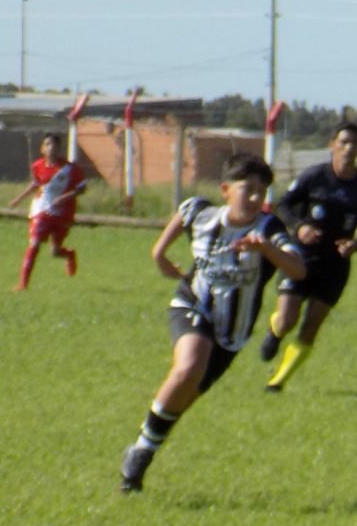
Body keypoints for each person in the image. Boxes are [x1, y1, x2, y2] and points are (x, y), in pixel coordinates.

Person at [118, 153, 304, 492]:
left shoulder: (268, 228)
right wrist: (159, 253)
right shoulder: (203, 216)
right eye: (247, 189)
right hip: (193, 304)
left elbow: (298, 269)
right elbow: (186, 210)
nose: (255, 198)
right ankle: (140, 455)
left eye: (261, 192)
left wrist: (267, 250)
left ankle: (140, 454)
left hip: (232, 332)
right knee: (189, 366)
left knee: (183, 399)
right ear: (225, 190)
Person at [256, 122, 357, 391]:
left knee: (311, 326)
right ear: (332, 145)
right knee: (287, 319)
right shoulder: (313, 177)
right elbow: (284, 205)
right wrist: (300, 226)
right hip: (300, 257)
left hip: (335, 266)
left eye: (354, 143)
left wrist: (356, 244)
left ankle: (277, 382)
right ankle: (275, 331)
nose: (348, 148)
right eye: (343, 142)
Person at [6, 133, 89, 290]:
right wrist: (18, 199)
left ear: (59, 149)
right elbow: (35, 184)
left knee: (55, 251)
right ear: (42, 148)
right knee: (34, 244)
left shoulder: (70, 169)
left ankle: (69, 254)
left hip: (63, 212)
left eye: (54, 145)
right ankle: (23, 284)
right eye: (47, 144)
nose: (51, 148)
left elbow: (82, 189)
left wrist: (65, 197)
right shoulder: (37, 166)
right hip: (42, 209)